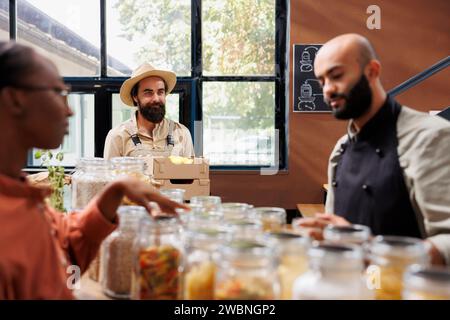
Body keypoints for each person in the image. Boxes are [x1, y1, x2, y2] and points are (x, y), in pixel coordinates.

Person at [0, 41, 188, 299]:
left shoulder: (22, 195)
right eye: (57, 92)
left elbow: (64, 244)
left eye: (161, 92)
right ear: (15, 99)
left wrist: (114, 191)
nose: (69, 109)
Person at [296, 34, 450, 265]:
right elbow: (336, 233)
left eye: (336, 76)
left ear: (372, 71)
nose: (327, 89)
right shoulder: (341, 150)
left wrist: (372, 249)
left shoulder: (430, 137)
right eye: (322, 81)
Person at [103, 63, 195, 159]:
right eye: (148, 93)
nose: (156, 99)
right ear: (135, 97)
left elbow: (191, 173)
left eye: (160, 92)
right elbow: (110, 174)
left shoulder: (182, 133)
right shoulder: (118, 136)